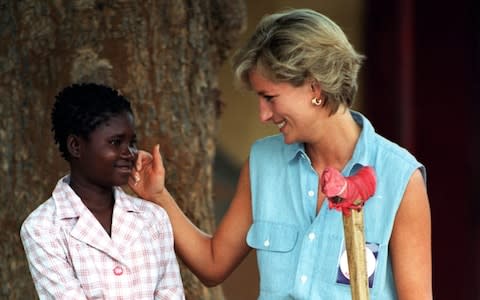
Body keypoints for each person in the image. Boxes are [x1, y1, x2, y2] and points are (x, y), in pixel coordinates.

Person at [130, 8, 432, 300]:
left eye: (270, 98)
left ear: (315, 88)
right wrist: (158, 196)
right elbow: (212, 263)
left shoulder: (400, 179)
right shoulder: (262, 163)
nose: (263, 114)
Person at [20, 83, 184, 299]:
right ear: (76, 146)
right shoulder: (42, 228)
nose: (129, 153)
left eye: (131, 143)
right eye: (116, 142)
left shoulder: (153, 218)